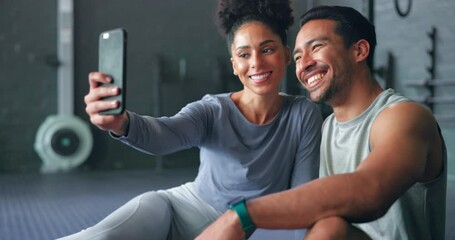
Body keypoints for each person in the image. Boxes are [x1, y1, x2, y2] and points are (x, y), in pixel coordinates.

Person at [58, 0, 322, 239]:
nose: (256, 62)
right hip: (176, 211)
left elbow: (303, 198)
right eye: (244, 54)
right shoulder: (212, 109)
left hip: (242, 228)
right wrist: (121, 123)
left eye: (267, 49)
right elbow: (165, 134)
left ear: (286, 55)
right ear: (234, 64)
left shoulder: (303, 114)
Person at [197, 5, 447, 240]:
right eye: (297, 57)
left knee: (330, 227)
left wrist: (241, 215)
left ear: (359, 51)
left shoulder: (404, 116)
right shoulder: (325, 128)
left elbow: (369, 190)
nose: (304, 64)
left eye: (316, 47)